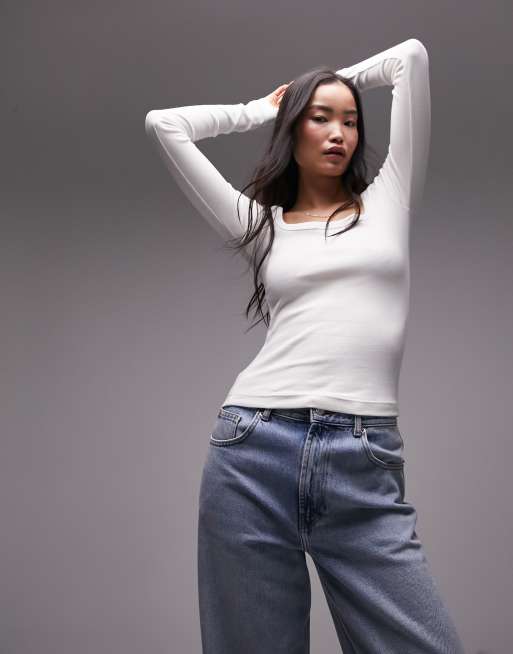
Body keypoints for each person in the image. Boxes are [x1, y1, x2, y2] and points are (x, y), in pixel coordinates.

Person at [145, 37, 466, 654]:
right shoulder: (260, 226)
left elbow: (411, 58)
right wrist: (262, 108)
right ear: (293, 130)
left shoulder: (389, 200)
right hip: (252, 449)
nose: (339, 132)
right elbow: (165, 125)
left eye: (350, 120)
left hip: (361, 455)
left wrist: (326, 82)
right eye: (320, 118)